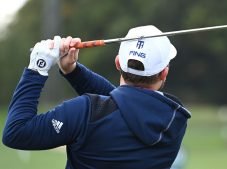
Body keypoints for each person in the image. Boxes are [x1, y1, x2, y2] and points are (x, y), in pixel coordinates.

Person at [2, 25, 191, 169]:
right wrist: (72, 71)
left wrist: (37, 68)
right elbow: (123, 103)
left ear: (118, 63)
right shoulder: (174, 119)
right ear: (164, 73)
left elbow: (16, 133)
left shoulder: (85, 112)